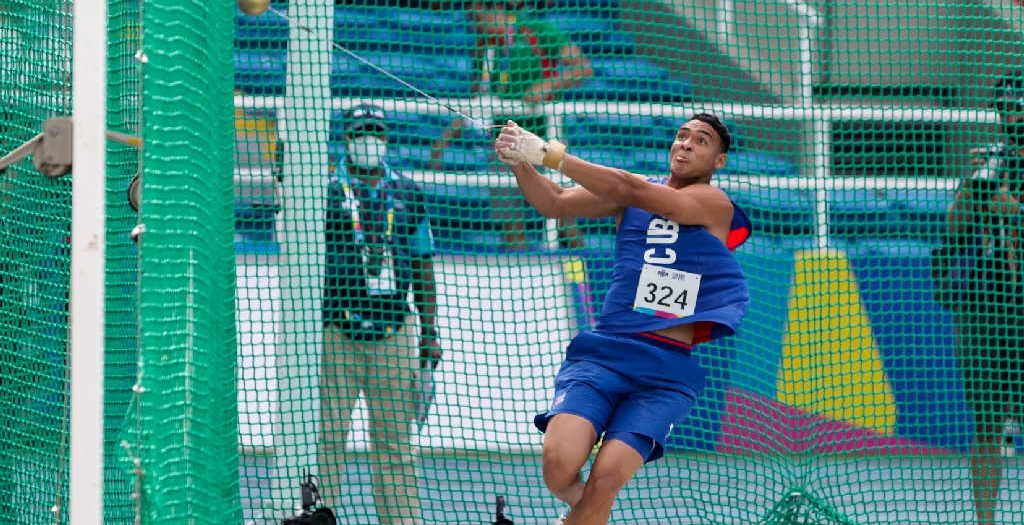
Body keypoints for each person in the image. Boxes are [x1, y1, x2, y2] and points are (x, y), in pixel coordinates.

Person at [493, 113, 751, 525]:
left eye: (700, 141)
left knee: (607, 479)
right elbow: (554, 203)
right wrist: (518, 161)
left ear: (718, 161)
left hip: (663, 372)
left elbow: (629, 187)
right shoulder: (632, 195)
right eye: (681, 135)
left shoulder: (712, 202)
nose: (684, 144)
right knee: (559, 467)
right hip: (604, 355)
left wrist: (546, 152)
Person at [319, 104, 441, 525]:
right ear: (347, 139)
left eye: (375, 133)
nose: (368, 141)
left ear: (385, 140)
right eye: (360, 133)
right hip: (337, 331)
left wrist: (430, 331)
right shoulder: (325, 191)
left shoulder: (407, 193)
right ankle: (315, 515)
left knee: (396, 445)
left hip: (395, 332)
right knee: (326, 440)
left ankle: (402, 520)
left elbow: (423, 262)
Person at [431, 0, 593, 250]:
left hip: (547, 137)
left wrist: (547, 86)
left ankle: (585, 276)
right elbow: (477, 99)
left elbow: (582, 68)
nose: (475, 26)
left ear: (493, 9)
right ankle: (516, 272)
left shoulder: (536, 30)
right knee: (510, 221)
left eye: (477, 18)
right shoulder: (484, 50)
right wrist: (443, 141)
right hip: (506, 145)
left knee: (565, 216)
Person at [935, 72, 1024, 525]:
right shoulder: (993, 161)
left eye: (1020, 104)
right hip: (988, 306)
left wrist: (1018, 209)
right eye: (1007, 105)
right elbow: (955, 230)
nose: (1014, 113)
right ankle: (985, 521)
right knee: (988, 425)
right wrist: (973, 188)